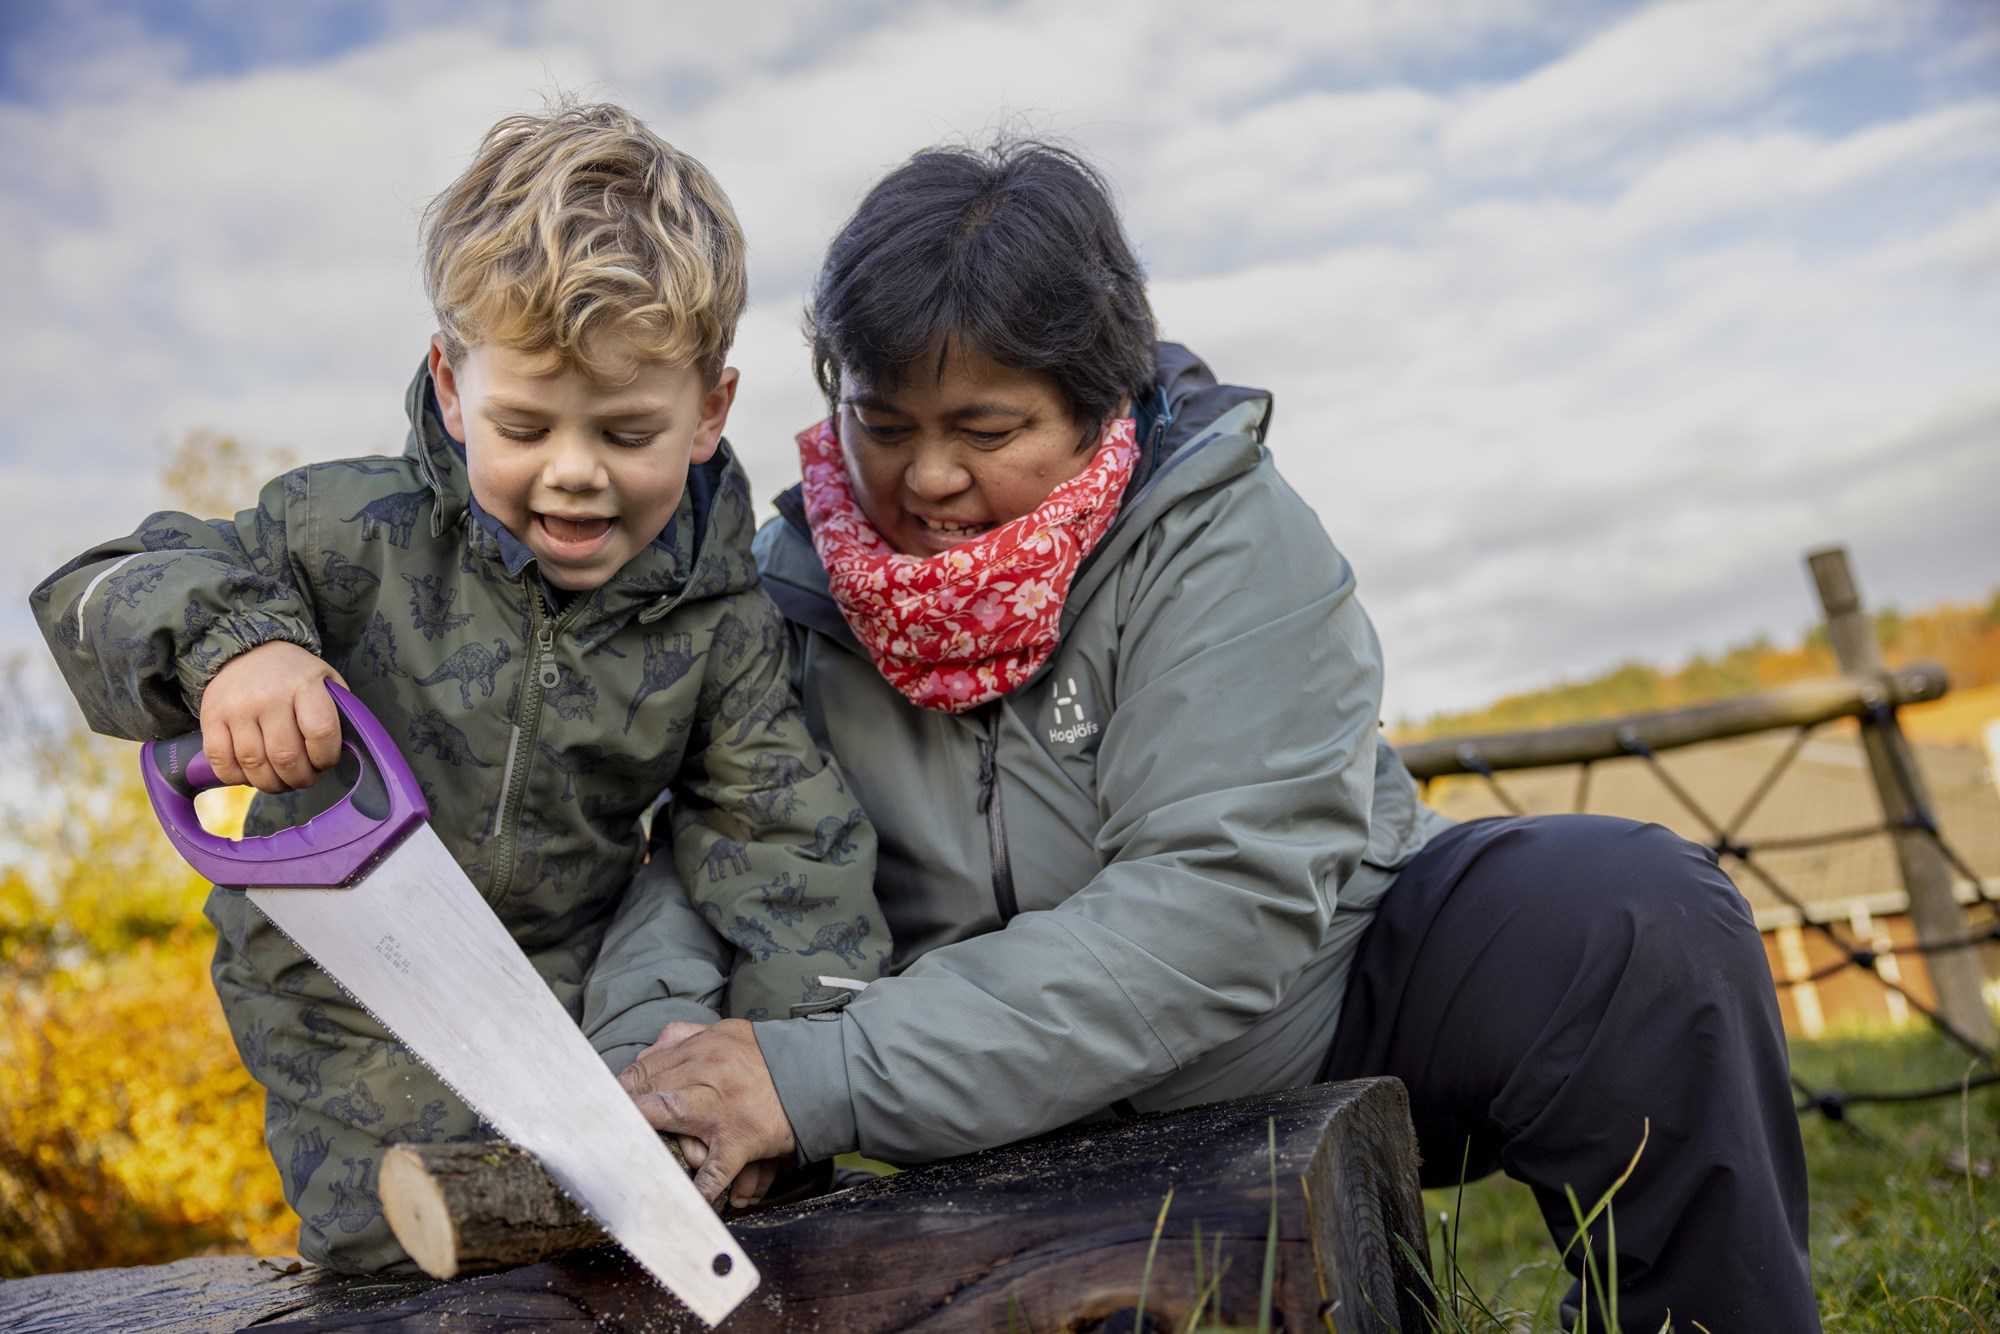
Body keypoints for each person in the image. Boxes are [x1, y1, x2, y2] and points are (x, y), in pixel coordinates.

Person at [613, 140, 1820, 1330]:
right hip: (989, 1114)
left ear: (1097, 404)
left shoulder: (1222, 532)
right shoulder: (778, 599)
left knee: (1628, 918)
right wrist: (653, 1092)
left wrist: (820, 1074)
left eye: (985, 431)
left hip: (1308, 1011)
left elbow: (1214, 904)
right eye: (881, 424)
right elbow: (703, 870)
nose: (925, 477)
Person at [29, 101, 886, 1272]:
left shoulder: (718, 617)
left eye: (626, 432)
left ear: (710, 413)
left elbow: (783, 842)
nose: (574, 473)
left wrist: (790, 1069)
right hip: (341, 1004)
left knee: (639, 1256)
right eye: (523, 425)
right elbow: (93, 586)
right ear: (449, 384)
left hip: (567, 1008)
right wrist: (238, 647)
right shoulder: (344, 529)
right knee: (406, 1261)